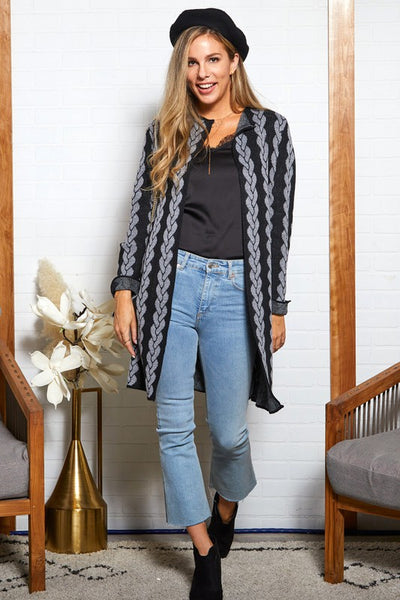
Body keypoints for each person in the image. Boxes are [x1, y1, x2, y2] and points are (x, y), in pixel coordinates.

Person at [111, 8, 295, 600]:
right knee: (172, 426)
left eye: (213, 59)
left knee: (229, 432)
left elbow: (279, 224)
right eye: (192, 62)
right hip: (171, 285)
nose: (203, 72)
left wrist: (275, 304)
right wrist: (124, 289)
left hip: (238, 290)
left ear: (235, 61)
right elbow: (140, 216)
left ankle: (226, 508)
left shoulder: (270, 132)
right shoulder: (165, 130)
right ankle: (205, 551)